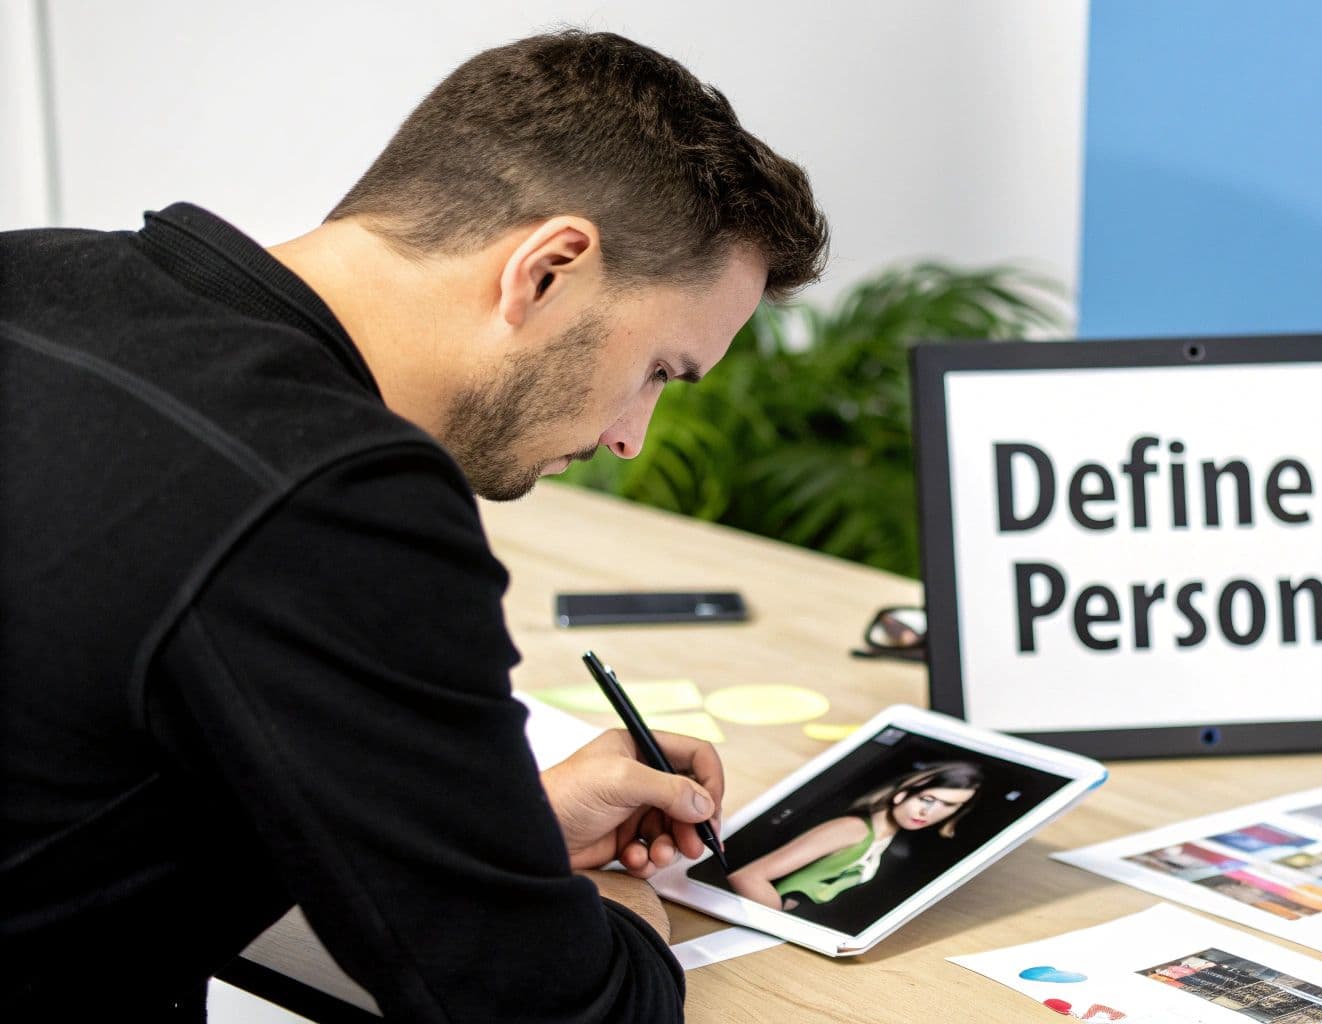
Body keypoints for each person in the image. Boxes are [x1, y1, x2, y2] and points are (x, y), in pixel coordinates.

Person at [0, 29, 827, 1022]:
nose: (631, 440)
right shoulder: (331, 493)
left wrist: (477, 842)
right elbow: (552, 1008)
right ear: (549, 269)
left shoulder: (37, 280)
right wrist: (609, 905)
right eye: (659, 368)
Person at [727, 762, 984, 911]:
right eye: (927, 798)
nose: (928, 812)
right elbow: (748, 877)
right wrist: (777, 926)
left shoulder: (886, 839)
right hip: (765, 923)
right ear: (905, 792)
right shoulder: (853, 829)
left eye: (948, 806)